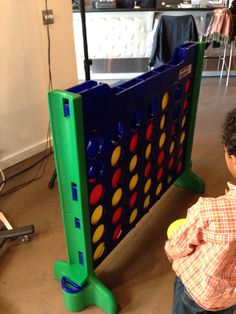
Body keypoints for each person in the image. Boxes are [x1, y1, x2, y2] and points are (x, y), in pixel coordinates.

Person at [165, 108, 236, 314]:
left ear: (232, 157)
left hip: (196, 294)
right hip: (230, 298)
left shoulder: (209, 210)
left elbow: (179, 244)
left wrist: (170, 251)